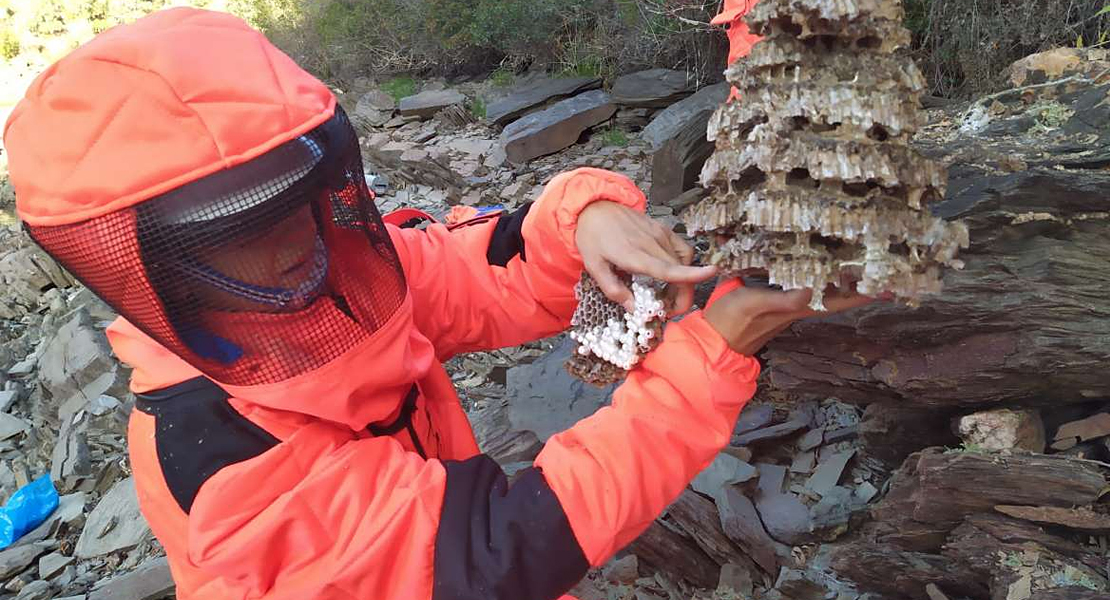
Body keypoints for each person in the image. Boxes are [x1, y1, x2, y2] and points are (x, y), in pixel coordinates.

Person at [2, 8, 871, 600]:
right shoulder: (220, 468)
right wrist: (717, 346)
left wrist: (589, 220)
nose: (295, 241)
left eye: (301, 198)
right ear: (156, 263)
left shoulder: (341, 275)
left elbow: (490, 270)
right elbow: (499, 554)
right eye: (237, 232)